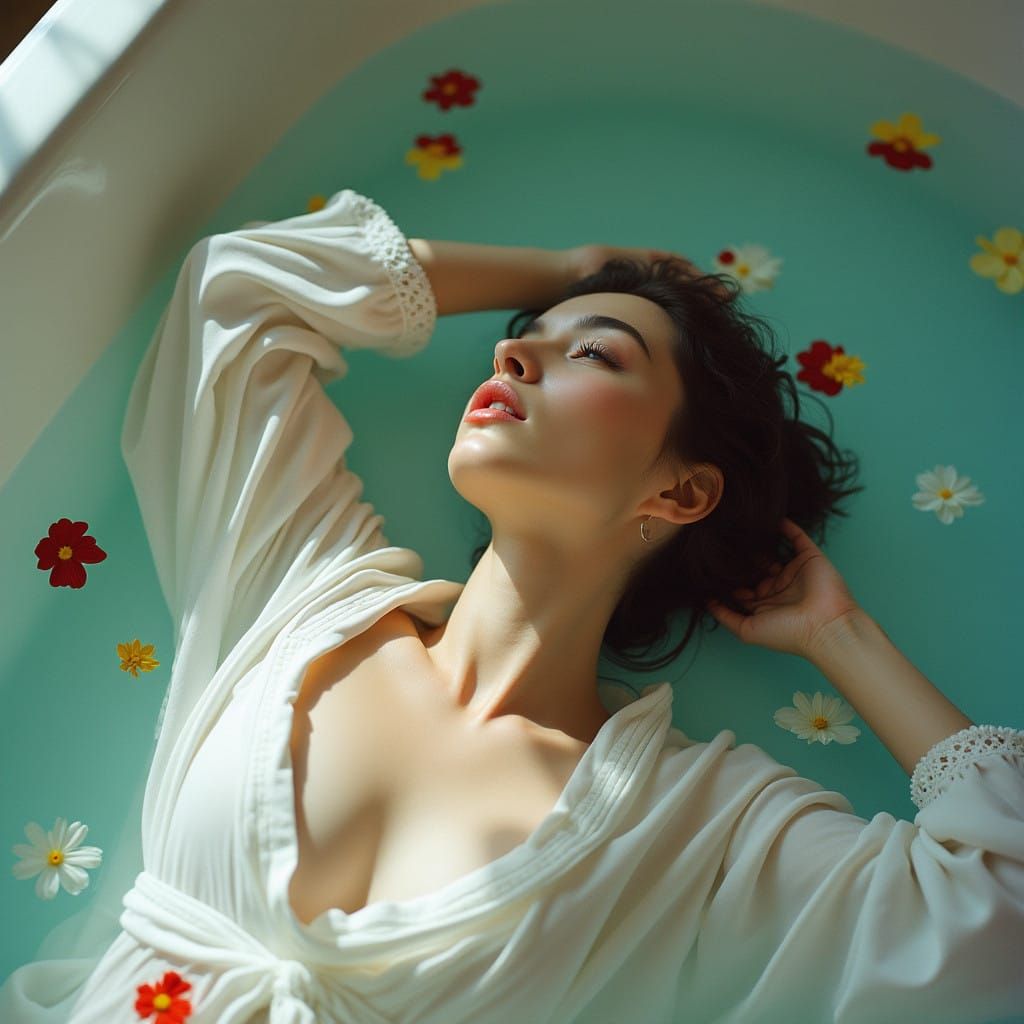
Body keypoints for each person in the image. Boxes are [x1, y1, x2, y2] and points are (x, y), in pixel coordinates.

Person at [2, 188, 1021, 1024]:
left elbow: (1003, 907)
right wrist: (572, 270)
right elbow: (238, 288)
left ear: (681, 492)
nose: (511, 355)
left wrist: (842, 637)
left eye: (597, 354)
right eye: (524, 339)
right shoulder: (305, 585)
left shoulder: (687, 828)